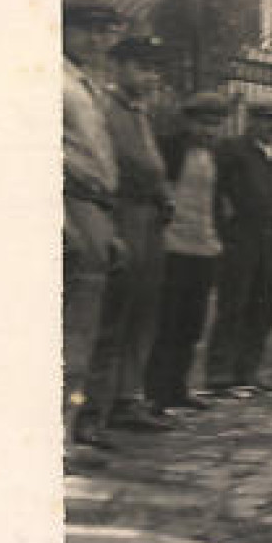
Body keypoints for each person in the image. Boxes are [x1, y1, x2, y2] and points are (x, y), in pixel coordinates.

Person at [77, 35, 177, 446]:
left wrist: (164, 194)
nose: (150, 76)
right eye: (141, 67)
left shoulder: (141, 114)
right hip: (122, 215)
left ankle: (126, 398)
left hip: (150, 221)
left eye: (154, 69)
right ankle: (91, 410)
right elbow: (113, 165)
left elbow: (152, 166)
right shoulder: (105, 109)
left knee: (142, 312)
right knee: (112, 315)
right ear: (118, 68)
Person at [61, 1, 127, 473]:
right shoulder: (54, 80)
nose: (96, 41)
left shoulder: (89, 86)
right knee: (70, 327)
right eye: (85, 30)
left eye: (103, 32)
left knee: (87, 325)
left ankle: (69, 427)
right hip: (69, 202)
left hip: (97, 208)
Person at [204, 100, 272, 396]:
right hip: (240, 235)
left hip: (270, 235)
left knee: (263, 306)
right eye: (265, 120)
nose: (271, 127)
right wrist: (224, 225)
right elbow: (214, 189)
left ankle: (248, 371)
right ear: (252, 121)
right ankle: (219, 374)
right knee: (234, 302)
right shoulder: (232, 151)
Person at [145, 91, 230, 411]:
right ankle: (155, 392)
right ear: (189, 121)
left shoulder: (219, 156)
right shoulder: (168, 148)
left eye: (216, 124)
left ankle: (178, 387)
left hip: (205, 248)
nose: (209, 131)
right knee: (166, 322)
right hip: (171, 247)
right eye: (203, 123)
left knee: (192, 325)